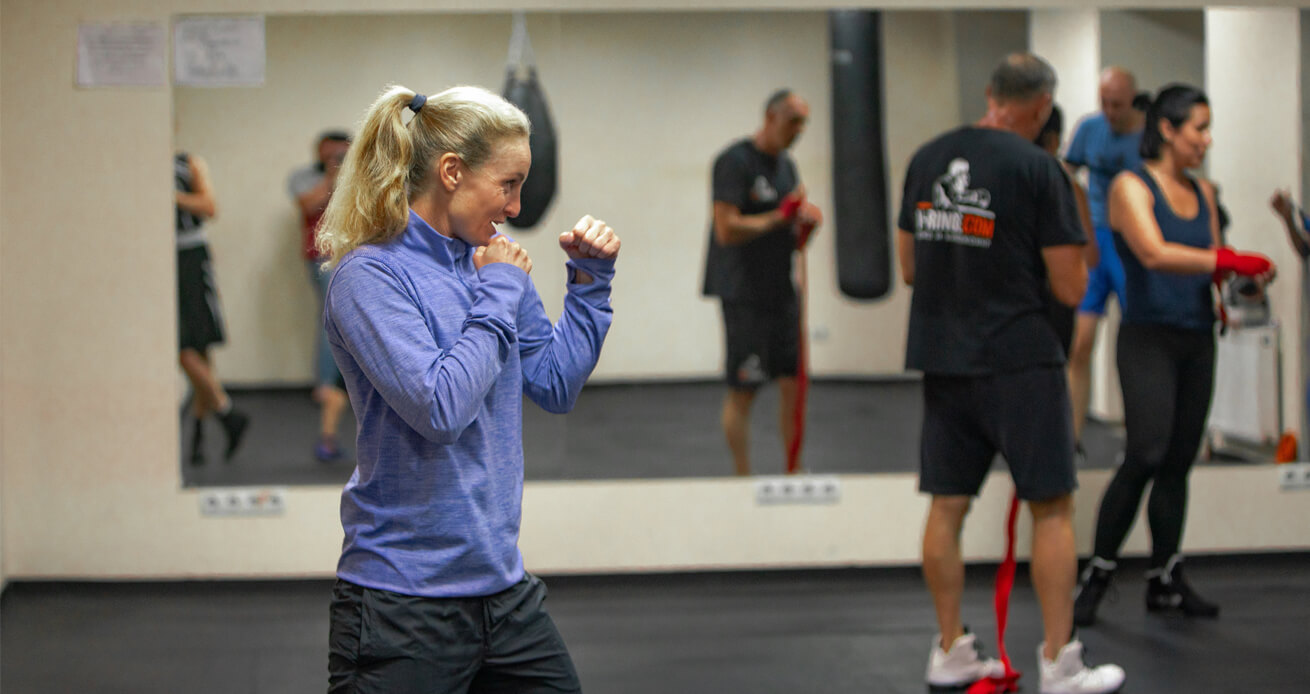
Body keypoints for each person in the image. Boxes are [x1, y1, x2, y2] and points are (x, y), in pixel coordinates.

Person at [316, 84, 620, 694]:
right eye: (508, 184)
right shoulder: (370, 276)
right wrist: (500, 291)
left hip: (503, 593)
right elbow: (441, 408)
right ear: (452, 172)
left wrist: (590, 284)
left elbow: (554, 383)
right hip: (402, 602)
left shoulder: (488, 263)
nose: (515, 206)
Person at [897, 54, 1124, 694]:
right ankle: (1060, 664)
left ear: (990, 93)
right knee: (1051, 509)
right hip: (1020, 361)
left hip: (944, 359)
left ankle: (950, 650)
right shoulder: (1038, 168)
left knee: (947, 507)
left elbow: (910, 268)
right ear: (1042, 106)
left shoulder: (927, 157)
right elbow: (1072, 286)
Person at [1074, 85, 1276, 627]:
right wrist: (1231, 259)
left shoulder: (1204, 192)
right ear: (1167, 129)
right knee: (1146, 452)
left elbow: (1211, 266)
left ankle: (1165, 577)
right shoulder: (1131, 186)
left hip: (1196, 335)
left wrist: (1243, 281)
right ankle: (1097, 574)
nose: (1207, 140)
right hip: (1149, 338)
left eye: (1209, 130)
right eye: (1199, 129)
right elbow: (1153, 253)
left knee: (1179, 460)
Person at [701, 88, 823, 476]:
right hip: (744, 293)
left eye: (803, 123)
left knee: (793, 387)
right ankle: (742, 478)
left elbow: (791, 235)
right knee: (745, 390)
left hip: (781, 291)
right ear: (771, 117)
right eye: (793, 121)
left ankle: (794, 471)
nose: (799, 130)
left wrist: (806, 226)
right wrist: (778, 217)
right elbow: (726, 229)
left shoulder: (787, 167)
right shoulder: (734, 162)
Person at [1064, 67, 1147, 449]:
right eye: (1105, 103)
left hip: (1131, 242)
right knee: (1080, 343)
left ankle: (1140, 435)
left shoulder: (1148, 136)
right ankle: (1072, 438)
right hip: (1094, 241)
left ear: (1132, 100)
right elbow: (1066, 175)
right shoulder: (1089, 129)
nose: (1110, 112)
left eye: (1118, 105)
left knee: (1136, 347)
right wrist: (1077, 228)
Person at [175, 151, 249, 465]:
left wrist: (171, 196)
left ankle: (203, 428)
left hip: (189, 257)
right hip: (158, 257)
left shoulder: (187, 163)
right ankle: (223, 415)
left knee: (195, 348)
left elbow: (208, 206)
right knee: (186, 348)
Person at [287, 131, 353, 461]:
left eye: (342, 153)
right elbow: (308, 204)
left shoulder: (360, 174)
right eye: (331, 153)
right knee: (331, 320)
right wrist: (332, 176)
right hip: (323, 258)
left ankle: (337, 390)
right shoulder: (304, 177)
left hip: (356, 257)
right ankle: (327, 386)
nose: (337, 157)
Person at [1036, 105, 1097, 357]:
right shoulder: (1066, 189)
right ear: (1053, 141)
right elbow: (1090, 256)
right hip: (1050, 306)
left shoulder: (999, 181)